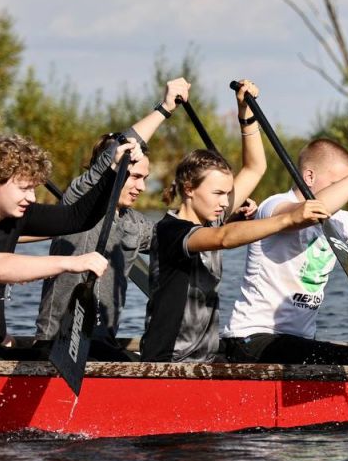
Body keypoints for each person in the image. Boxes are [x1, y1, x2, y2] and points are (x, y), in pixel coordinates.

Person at [140, 81, 329, 363]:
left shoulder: (213, 219)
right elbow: (225, 239)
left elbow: (255, 168)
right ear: (189, 189)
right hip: (168, 361)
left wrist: (245, 111)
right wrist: (289, 218)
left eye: (228, 194)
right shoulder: (171, 230)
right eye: (217, 193)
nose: (224, 201)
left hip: (203, 359)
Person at [33, 78, 191, 361]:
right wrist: (165, 108)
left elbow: (180, 238)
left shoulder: (135, 223)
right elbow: (118, 148)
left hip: (101, 345)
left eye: (145, 178)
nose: (142, 187)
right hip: (58, 342)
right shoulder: (78, 200)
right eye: (135, 177)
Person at [0, 117, 139, 360]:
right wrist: (71, 263)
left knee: (105, 354)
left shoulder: (18, 215)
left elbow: (77, 218)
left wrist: (113, 171)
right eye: (24, 188)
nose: (32, 198)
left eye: (34, 189)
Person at [221, 139, 348, 365]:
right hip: (251, 338)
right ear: (309, 177)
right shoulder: (275, 206)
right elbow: (309, 213)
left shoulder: (343, 222)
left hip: (297, 342)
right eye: (338, 183)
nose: (346, 192)